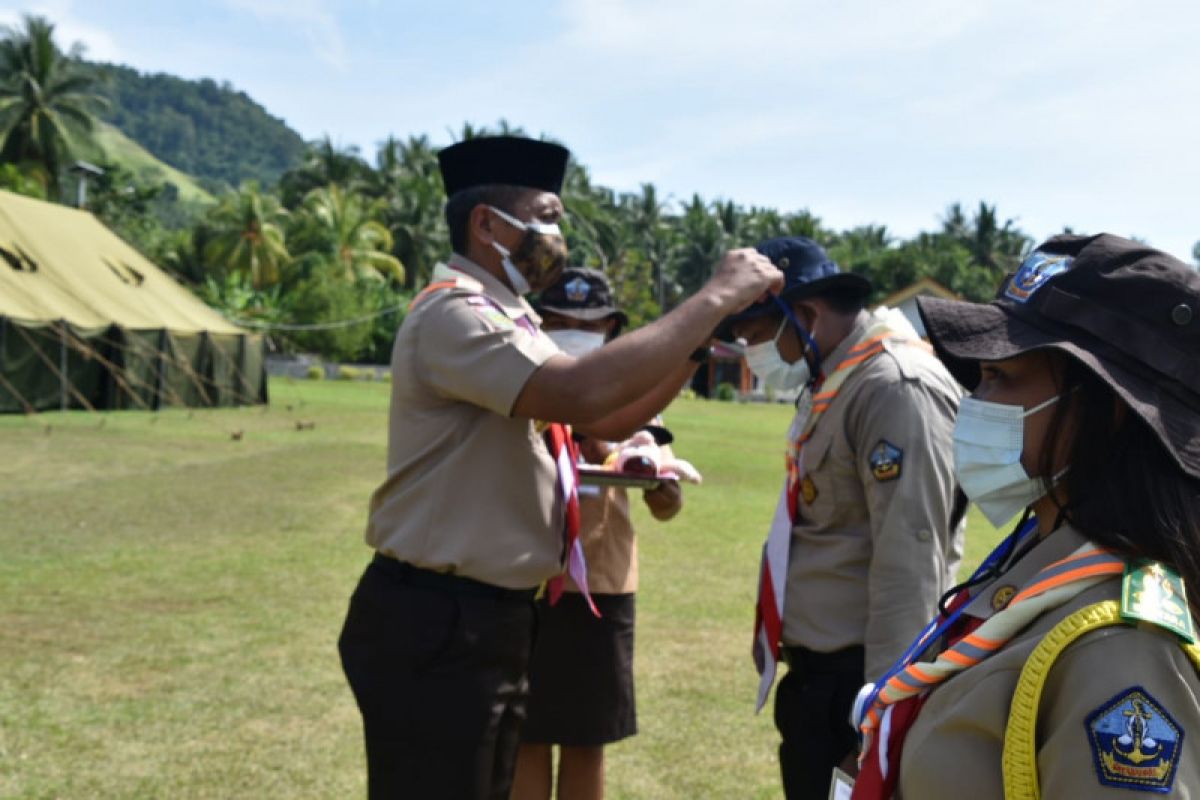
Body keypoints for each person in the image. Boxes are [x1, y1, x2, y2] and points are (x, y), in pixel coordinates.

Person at [336, 136, 782, 800]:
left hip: (486, 616)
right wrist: (713, 297)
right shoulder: (455, 313)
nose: (556, 232)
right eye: (546, 214)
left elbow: (598, 422)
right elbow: (580, 393)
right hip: (438, 619)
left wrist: (692, 349)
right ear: (487, 224)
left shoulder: (508, 314)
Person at [849, 233, 1200, 799]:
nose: (972, 402)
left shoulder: (1119, 647)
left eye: (1001, 378)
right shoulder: (1039, 555)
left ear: (1106, 411)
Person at [716, 236, 965, 800]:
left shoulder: (894, 386)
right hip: (819, 678)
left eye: (756, 337)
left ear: (804, 314)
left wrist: (882, 715)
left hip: (857, 682)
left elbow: (910, 563)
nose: (754, 355)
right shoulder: (838, 377)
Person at [511, 266, 685, 800]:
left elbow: (667, 503)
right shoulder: (520, 381)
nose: (574, 330)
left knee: (588, 740)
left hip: (601, 588)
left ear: (611, 328)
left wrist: (648, 474)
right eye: (560, 319)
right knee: (523, 734)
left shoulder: (632, 399)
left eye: (589, 322)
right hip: (522, 579)